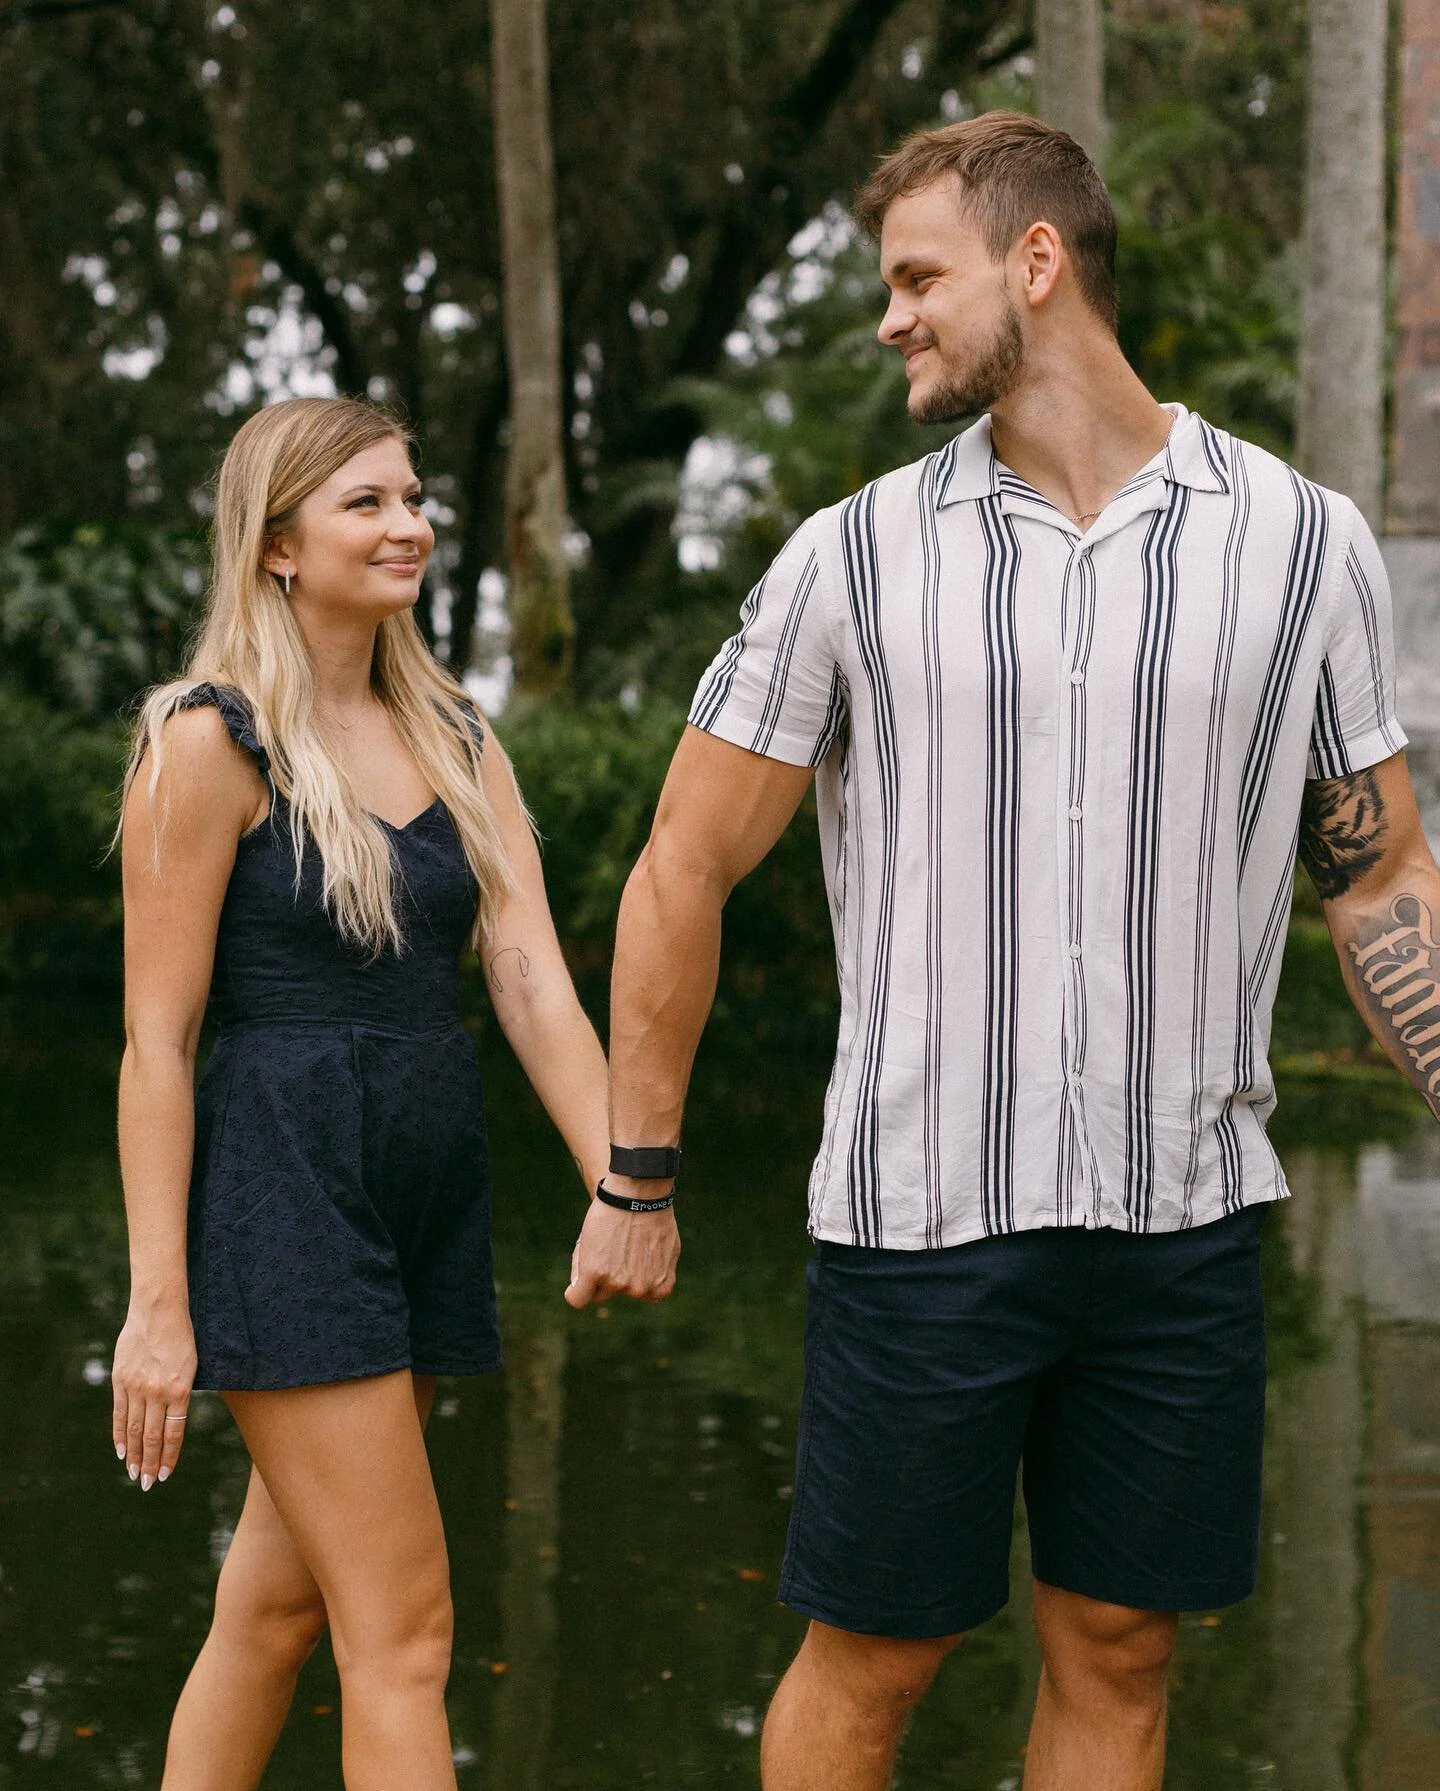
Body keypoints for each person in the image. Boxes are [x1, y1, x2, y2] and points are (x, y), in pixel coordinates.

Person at [567, 112, 1440, 1790]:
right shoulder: (853, 558)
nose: (889, 318)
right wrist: (640, 1173)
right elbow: (680, 864)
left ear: (1036, 262)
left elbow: (1380, 868)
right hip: (922, 1221)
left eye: (915, 279)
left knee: (1120, 1648)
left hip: (1182, 1221)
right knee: (876, 1654)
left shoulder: (1301, 541)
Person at [111, 395, 620, 1791]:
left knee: (275, 1608)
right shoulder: (207, 742)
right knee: (403, 1633)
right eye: (368, 504)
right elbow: (157, 1042)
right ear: (278, 544)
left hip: (421, 1183)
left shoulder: (456, 732)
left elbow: (527, 975)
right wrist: (160, 1302)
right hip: (287, 1187)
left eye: (412, 497)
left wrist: (628, 1176)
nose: (410, 524)